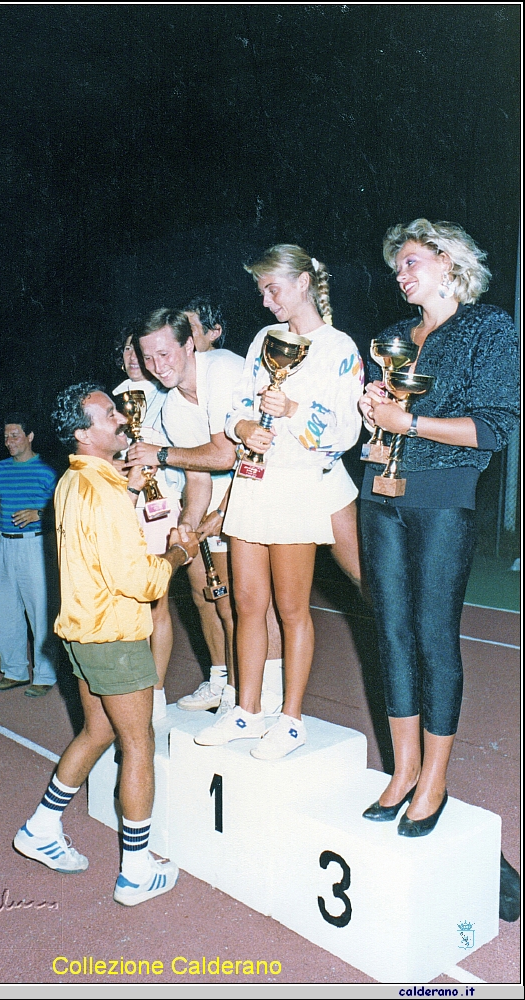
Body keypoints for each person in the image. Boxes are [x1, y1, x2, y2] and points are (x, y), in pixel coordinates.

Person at [358, 219, 519, 836]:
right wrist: (374, 415)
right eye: (397, 265)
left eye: (412, 261)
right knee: (390, 633)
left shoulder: (489, 328)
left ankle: (435, 778)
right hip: (382, 491)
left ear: (451, 263)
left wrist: (410, 426)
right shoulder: (394, 336)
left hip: (444, 496)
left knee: (432, 635)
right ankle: (402, 771)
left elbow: (497, 427)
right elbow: (388, 420)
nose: (401, 274)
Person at [13, 383, 198, 905]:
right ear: (82, 433)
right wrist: (180, 552)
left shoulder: (74, 479)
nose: (121, 417)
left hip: (79, 633)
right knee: (138, 744)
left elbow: (102, 525)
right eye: (110, 413)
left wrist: (131, 488)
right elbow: (142, 582)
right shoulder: (105, 492)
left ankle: (40, 828)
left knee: (97, 731)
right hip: (114, 636)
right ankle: (136, 872)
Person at [194, 245, 363, 758]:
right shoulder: (265, 340)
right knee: (248, 606)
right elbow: (239, 408)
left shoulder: (340, 348)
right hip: (252, 483)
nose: (267, 302)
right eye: (262, 292)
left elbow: (346, 432)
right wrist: (244, 426)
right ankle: (246, 711)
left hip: (299, 487)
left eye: (274, 289)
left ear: (305, 282)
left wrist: (292, 411)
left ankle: (291, 720)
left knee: (292, 610)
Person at [128, 309, 244, 714]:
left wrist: (160, 454)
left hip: (259, 489)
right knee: (203, 594)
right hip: (216, 492)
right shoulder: (172, 407)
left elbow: (225, 453)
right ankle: (219, 681)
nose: (157, 367)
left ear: (189, 344)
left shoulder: (223, 370)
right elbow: (198, 478)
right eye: (149, 359)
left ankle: (244, 693)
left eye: (165, 354)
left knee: (235, 603)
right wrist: (188, 525)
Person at [112, 321, 185, 721]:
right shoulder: (111, 400)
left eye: (139, 352)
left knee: (157, 600)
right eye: (126, 351)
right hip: (125, 502)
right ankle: (130, 687)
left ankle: (156, 692)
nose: (132, 359)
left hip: (160, 503)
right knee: (126, 600)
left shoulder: (168, 393)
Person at [0, 413, 58, 697]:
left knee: (40, 611)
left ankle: (45, 675)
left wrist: (39, 513)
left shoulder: (47, 470)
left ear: (30, 437)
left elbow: (65, 508)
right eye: (6, 437)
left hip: (36, 546)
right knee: (5, 612)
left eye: (15, 435)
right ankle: (15, 671)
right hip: (4, 546)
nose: (9, 442)